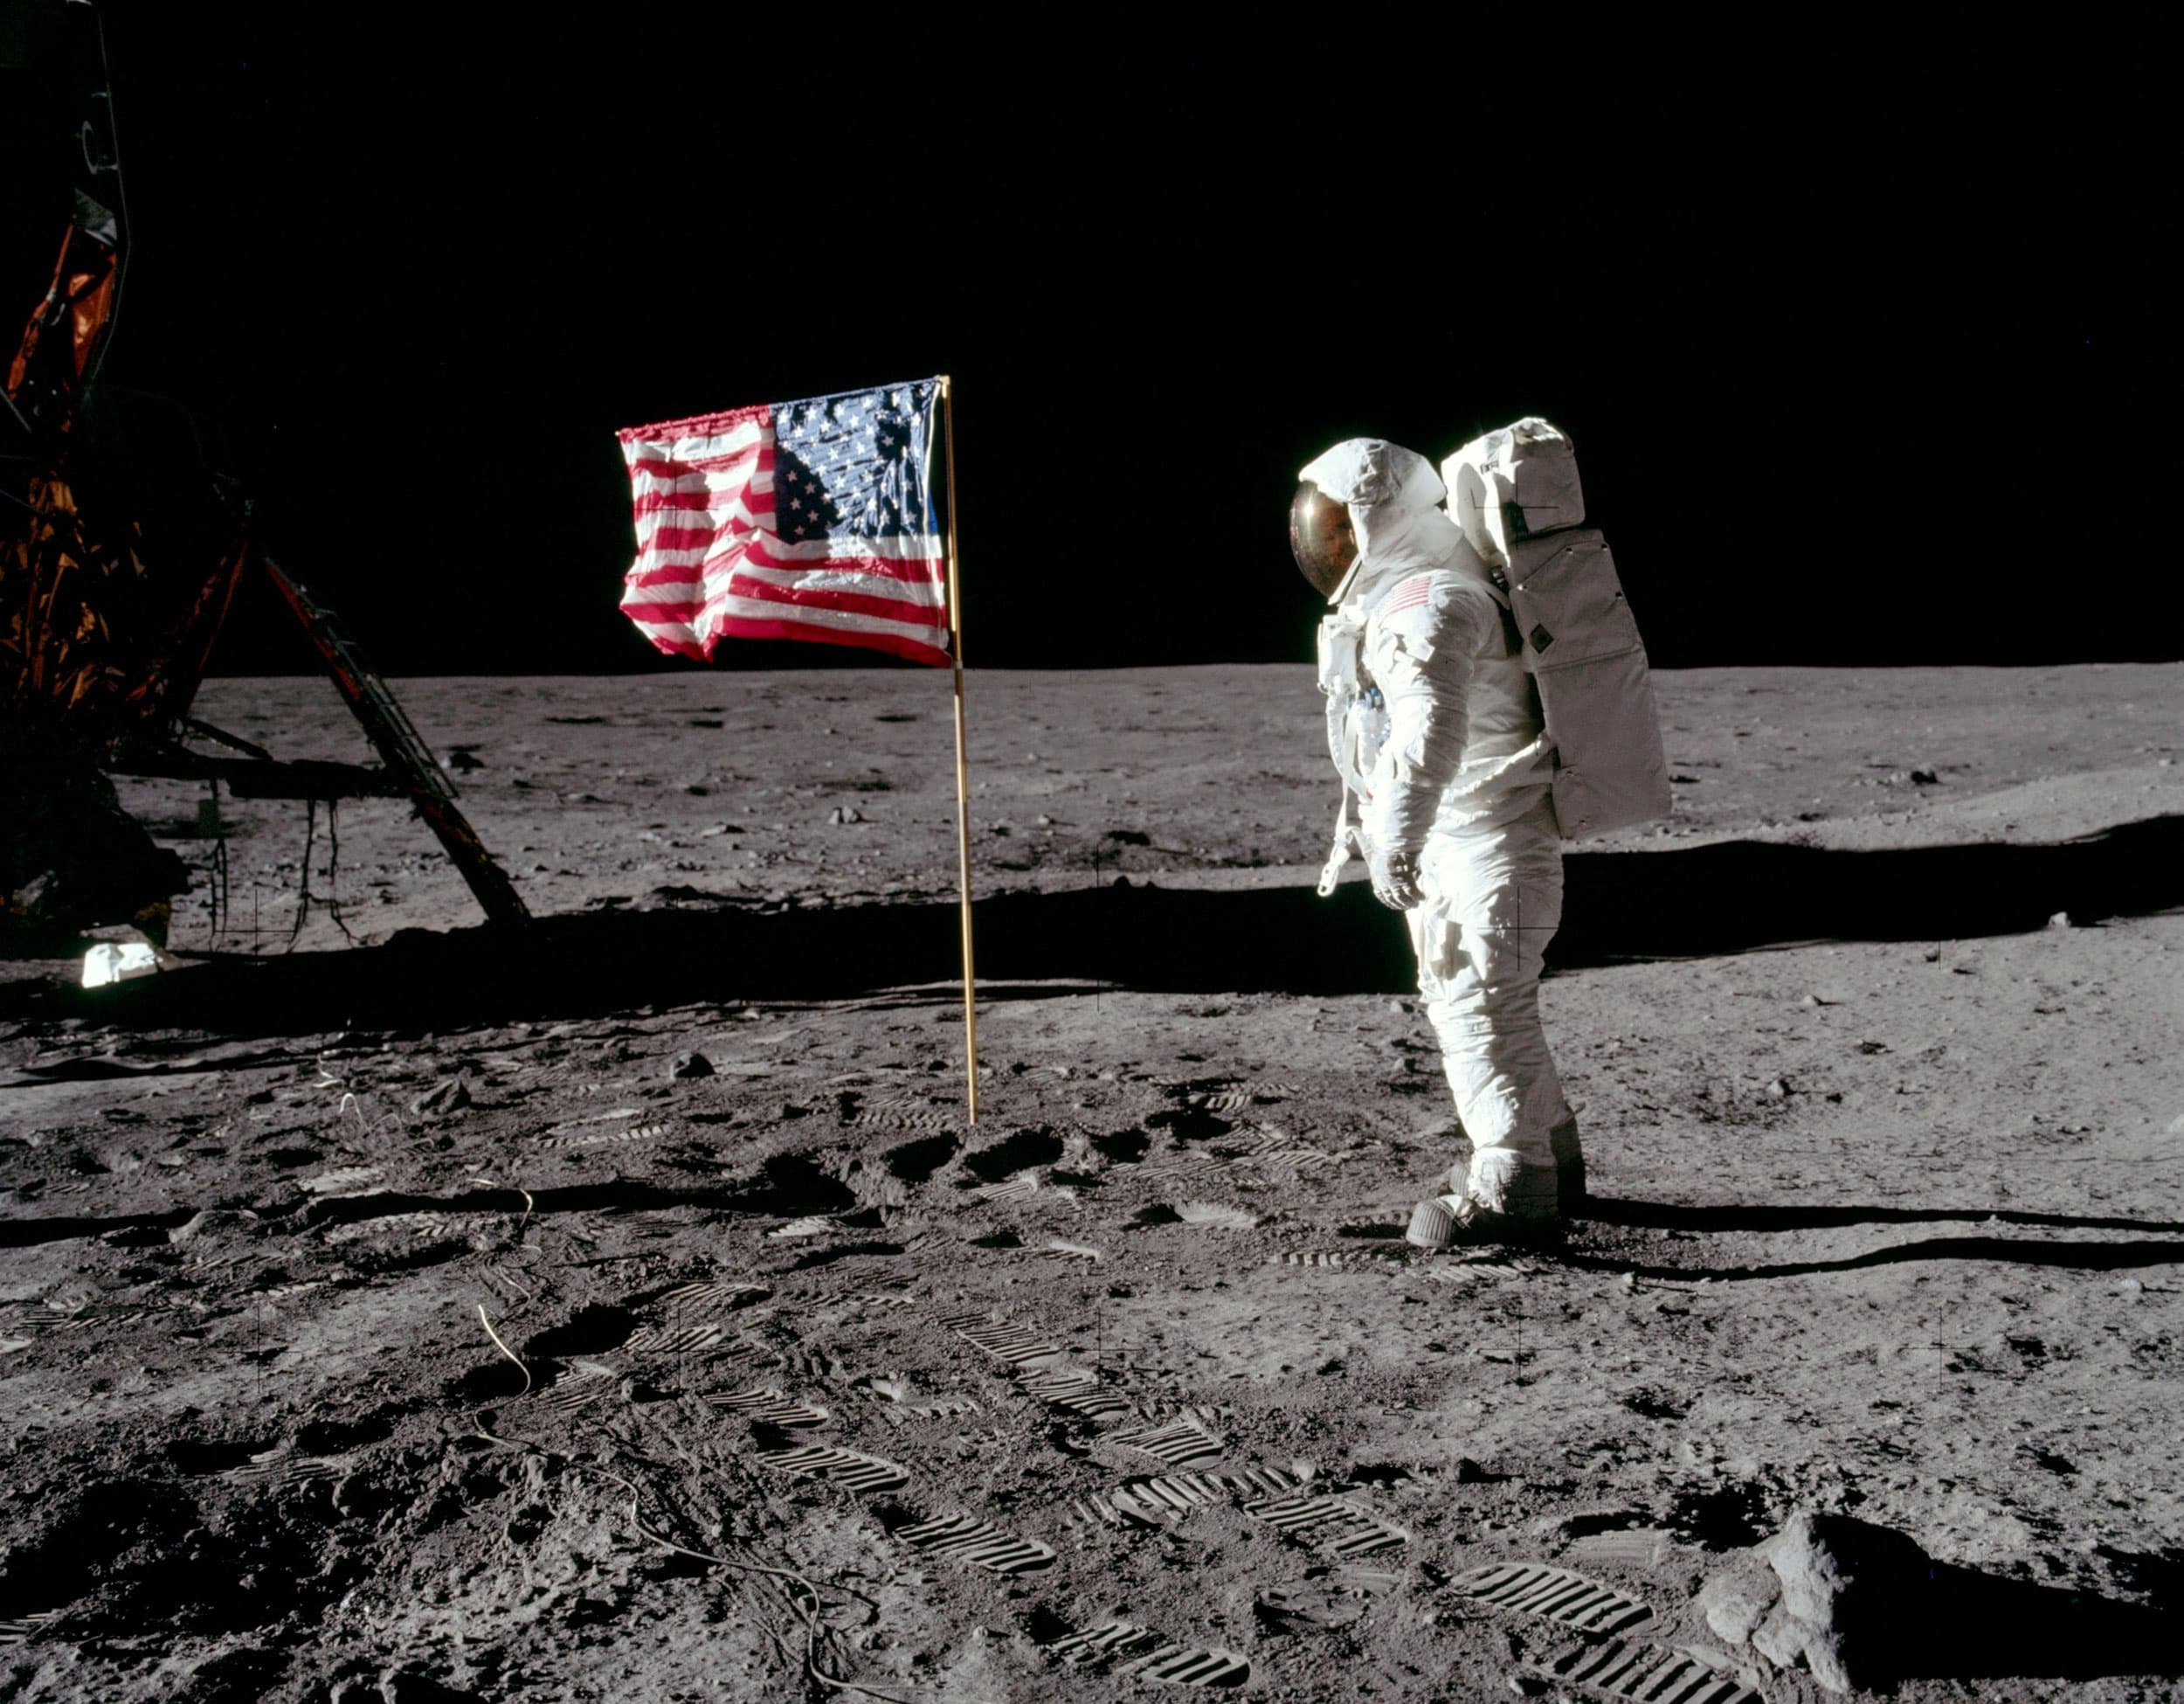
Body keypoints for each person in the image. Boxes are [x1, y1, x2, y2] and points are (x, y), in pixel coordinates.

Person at [1293, 438, 1585, 1247]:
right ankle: (1554, 1159)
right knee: (1496, 1009)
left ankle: (1515, 1190)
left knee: (1478, 1012)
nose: (1328, 548)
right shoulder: (1431, 592)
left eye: (1339, 530)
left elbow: (1428, 734)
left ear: (1377, 524)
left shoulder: (1424, 603)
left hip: (1487, 845)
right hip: (1485, 841)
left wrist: (1396, 839)